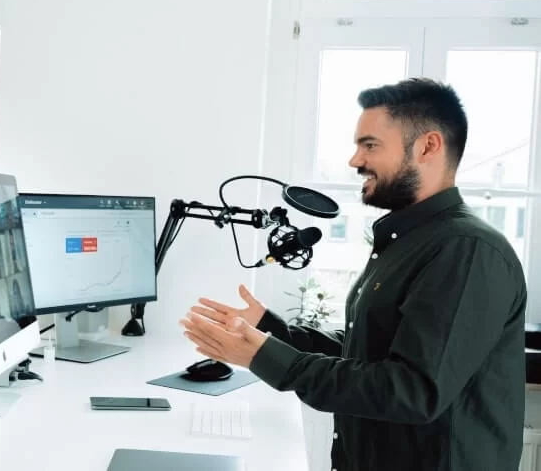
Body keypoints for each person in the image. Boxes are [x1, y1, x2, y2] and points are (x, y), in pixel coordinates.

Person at [180, 78, 527, 471]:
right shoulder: (408, 240)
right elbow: (367, 347)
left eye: (370, 145)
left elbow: (412, 391)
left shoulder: (466, 251)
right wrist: (268, 330)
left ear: (428, 146)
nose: (355, 161)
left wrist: (266, 357)